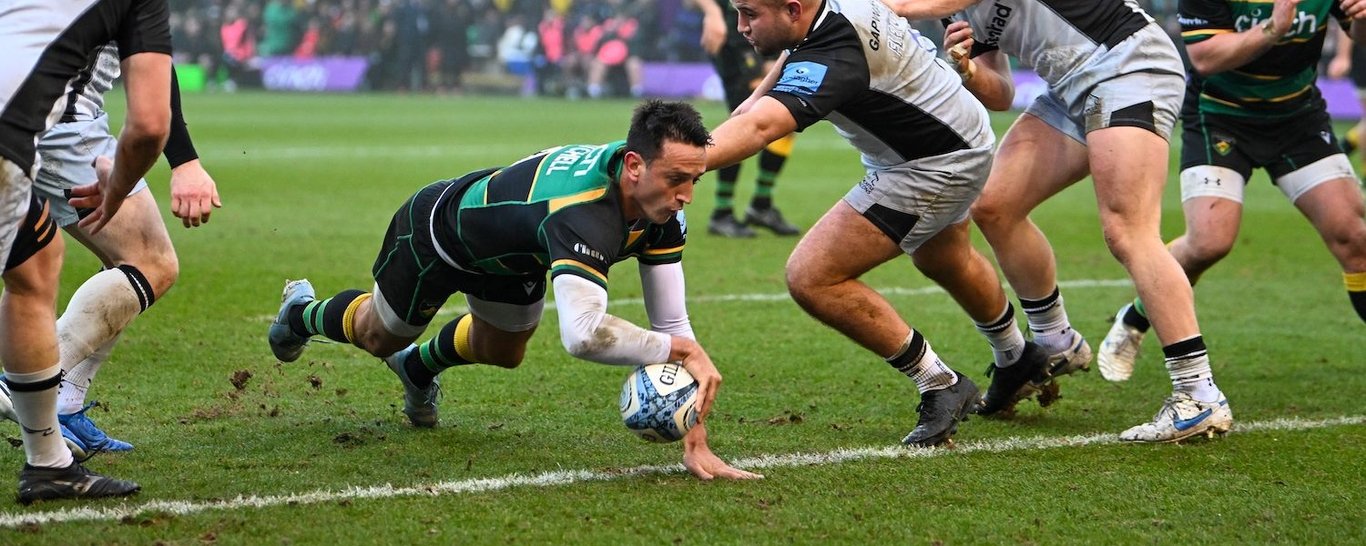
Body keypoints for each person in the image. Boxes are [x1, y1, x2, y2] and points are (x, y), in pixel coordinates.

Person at [267, 101, 761, 481]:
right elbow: (583, 335)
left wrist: (694, 436)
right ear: (634, 165)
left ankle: (418, 367)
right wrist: (681, 350)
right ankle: (302, 312)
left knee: (503, 351)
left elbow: (673, 326)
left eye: (694, 179)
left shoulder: (660, 206)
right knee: (382, 335)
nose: (686, 197)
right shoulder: (584, 213)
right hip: (438, 233)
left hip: (513, 255)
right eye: (676, 179)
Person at [706, 0, 1075, 447]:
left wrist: (675, 163)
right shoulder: (829, 9)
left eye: (749, 14)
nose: (740, 26)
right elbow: (786, 56)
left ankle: (939, 381)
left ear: (793, 9)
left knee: (813, 276)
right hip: (957, 132)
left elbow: (763, 129)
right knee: (945, 258)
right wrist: (756, 96)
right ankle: (1017, 357)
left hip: (933, 162)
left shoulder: (835, 53)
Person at [884, 0, 1237, 442]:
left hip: (1128, 63)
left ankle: (1199, 394)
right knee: (995, 204)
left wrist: (889, 7)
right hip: (1070, 86)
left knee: (1128, 231)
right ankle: (1055, 342)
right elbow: (1003, 93)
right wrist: (967, 70)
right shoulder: (946, 10)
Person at [1098, 0, 1366, 381]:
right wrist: (1273, 28)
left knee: (1355, 238)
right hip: (1220, 116)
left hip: (1298, 116)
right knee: (1209, 241)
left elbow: (1360, 34)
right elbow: (1205, 57)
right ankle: (1135, 318)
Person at [0, 53, 222, 458]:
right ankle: (28, 384)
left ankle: (63, 403)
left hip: (17, 116)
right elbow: (152, 64)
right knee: (151, 263)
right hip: (62, 123)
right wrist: (185, 162)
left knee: (70, 268)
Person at [0, 0, 172, 503]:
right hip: (49, 130)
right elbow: (149, 121)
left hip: (39, 127)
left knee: (36, 261)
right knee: (150, 261)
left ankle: (50, 461)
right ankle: (31, 391)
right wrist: (119, 185)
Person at [688, 0, 801, 238]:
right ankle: (722, 211)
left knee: (786, 115)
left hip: (762, 31)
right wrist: (712, 12)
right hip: (731, 37)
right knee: (747, 118)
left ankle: (761, 203)